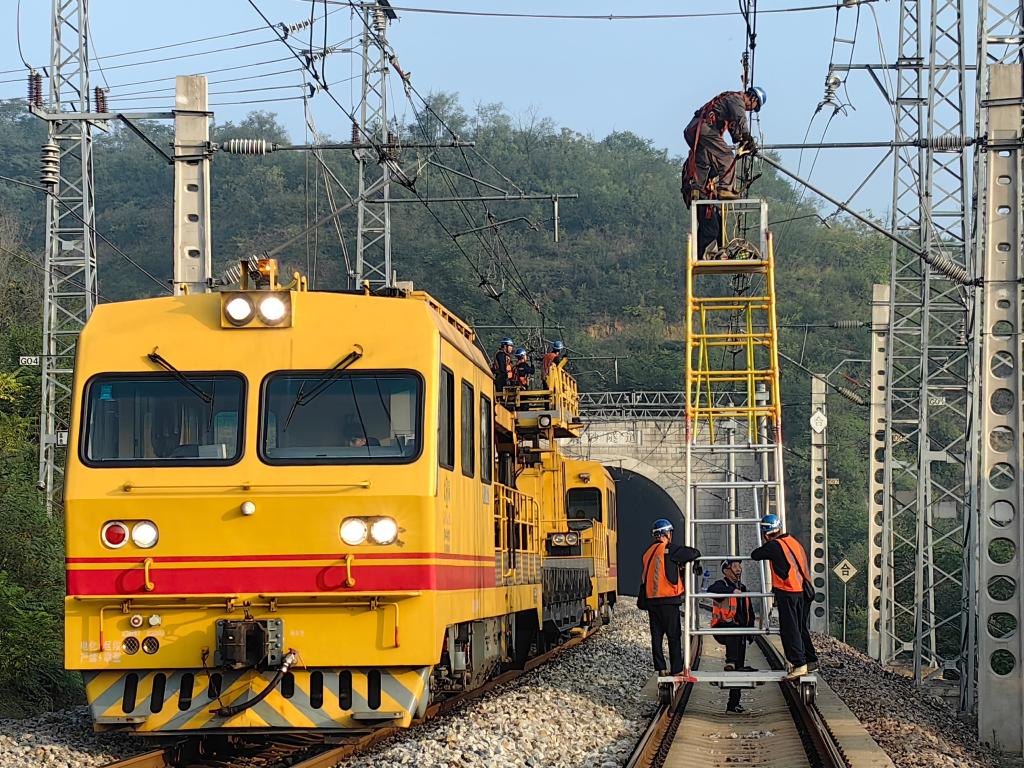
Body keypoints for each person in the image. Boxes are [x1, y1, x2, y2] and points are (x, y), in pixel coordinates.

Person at [682, 86, 766, 259]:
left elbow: (735, 132)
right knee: (726, 156)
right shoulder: (736, 100)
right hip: (703, 128)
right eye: (754, 107)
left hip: (696, 129)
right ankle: (726, 188)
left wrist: (743, 142)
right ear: (753, 99)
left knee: (705, 161)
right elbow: (740, 122)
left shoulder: (728, 101)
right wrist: (747, 138)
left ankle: (698, 187)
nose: (750, 109)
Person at [750, 513, 818, 678]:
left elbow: (755, 554)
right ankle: (811, 660)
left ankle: (799, 664)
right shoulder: (793, 541)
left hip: (788, 591)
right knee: (800, 627)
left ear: (765, 533)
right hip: (804, 591)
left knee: (790, 629)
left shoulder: (774, 546)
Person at [637, 518, 701, 676]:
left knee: (656, 636)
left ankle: (661, 668)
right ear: (666, 534)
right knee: (673, 636)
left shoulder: (647, 553)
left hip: (651, 601)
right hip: (668, 600)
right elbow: (692, 553)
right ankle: (676, 669)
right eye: (670, 533)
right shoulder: (669, 549)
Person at [709, 559, 757, 713]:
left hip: (740, 632)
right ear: (726, 570)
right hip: (723, 627)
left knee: (739, 667)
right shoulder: (721, 584)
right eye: (735, 566)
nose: (739, 569)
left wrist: (751, 630)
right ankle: (730, 661)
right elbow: (712, 589)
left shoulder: (743, 588)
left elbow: (749, 611)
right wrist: (731, 591)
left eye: (739, 566)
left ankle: (733, 704)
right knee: (734, 662)